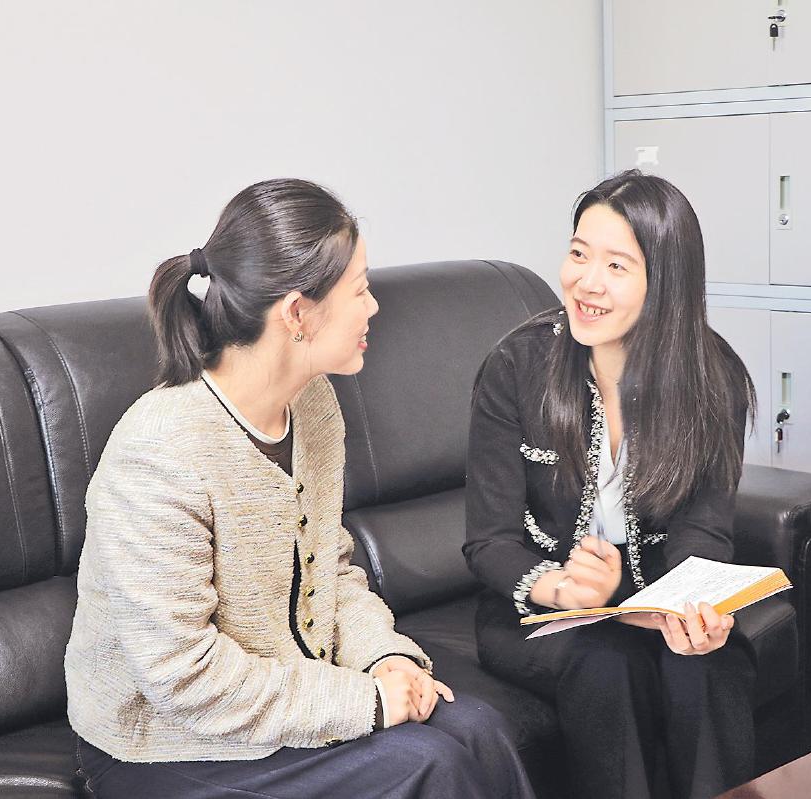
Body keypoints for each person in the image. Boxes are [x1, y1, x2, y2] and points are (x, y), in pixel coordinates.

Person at [65, 178, 534, 799]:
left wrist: (386, 658)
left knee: (480, 729)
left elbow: (330, 570)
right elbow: (182, 676)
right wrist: (367, 701)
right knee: (429, 764)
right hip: (161, 744)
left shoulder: (313, 406)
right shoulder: (159, 451)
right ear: (296, 313)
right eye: (360, 290)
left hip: (283, 701)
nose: (373, 307)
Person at [464, 170, 759, 799]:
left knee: (708, 663)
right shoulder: (516, 366)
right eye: (578, 254)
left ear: (666, 284)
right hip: (537, 611)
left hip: (653, 598)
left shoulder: (714, 377)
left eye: (616, 266)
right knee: (607, 664)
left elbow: (704, 529)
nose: (586, 282)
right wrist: (563, 589)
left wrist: (692, 610)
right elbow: (488, 542)